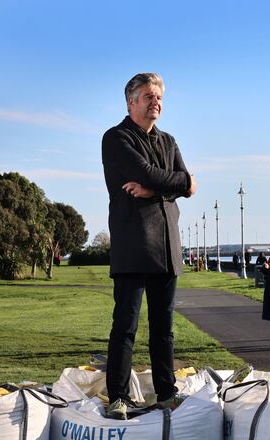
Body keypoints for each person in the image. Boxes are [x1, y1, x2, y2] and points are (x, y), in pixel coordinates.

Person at [102, 73, 197, 420]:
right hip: (133, 244)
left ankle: (166, 393)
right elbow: (150, 173)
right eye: (147, 96)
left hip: (168, 246)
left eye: (158, 96)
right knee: (125, 326)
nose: (155, 101)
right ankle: (119, 397)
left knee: (164, 327)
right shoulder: (115, 138)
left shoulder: (169, 141)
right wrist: (176, 183)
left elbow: (185, 183)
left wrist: (159, 189)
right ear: (131, 102)